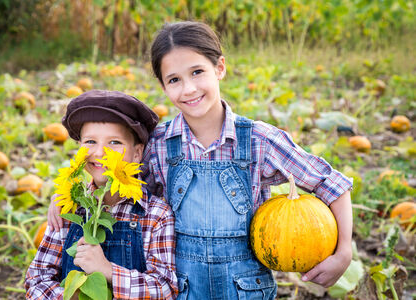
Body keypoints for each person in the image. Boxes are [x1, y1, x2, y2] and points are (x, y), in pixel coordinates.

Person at [49, 22, 353, 299]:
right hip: (181, 288)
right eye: (174, 80)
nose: (189, 89)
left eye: (197, 72)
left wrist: (342, 255)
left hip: (246, 290)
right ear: (164, 86)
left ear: (219, 67)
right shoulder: (158, 145)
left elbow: (332, 184)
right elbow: (115, 179)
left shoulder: (260, 141)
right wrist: (71, 196)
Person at [26, 90, 178, 299]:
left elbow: (165, 287)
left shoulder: (155, 215)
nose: (100, 153)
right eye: (90, 142)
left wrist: (107, 271)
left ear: (137, 153)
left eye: (114, 142)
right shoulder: (68, 207)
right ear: (79, 147)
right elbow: (37, 278)